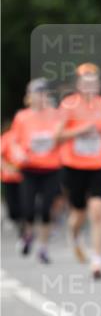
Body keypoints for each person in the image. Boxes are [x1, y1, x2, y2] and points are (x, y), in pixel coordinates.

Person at [55, 63, 101, 279]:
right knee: (78, 212)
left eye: (94, 82)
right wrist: (81, 130)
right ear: (78, 85)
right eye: (85, 82)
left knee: (98, 210)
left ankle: (97, 260)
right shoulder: (68, 105)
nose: (90, 86)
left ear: (99, 85)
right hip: (73, 165)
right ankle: (74, 234)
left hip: (99, 164)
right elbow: (57, 136)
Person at [8, 78, 63, 263]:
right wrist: (18, 153)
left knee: (46, 209)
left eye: (43, 94)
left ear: (47, 96)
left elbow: (62, 137)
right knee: (28, 209)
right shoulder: (22, 117)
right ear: (29, 96)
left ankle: (43, 247)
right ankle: (28, 235)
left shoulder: (56, 115)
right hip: (29, 168)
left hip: (51, 167)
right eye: (36, 94)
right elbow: (14, 141)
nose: (39, 98)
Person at [1, 122, 24, 239]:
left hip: (24, 177)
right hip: (9, 177)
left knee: (23, 203)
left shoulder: (26, 136)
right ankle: (16, 220)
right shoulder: (6, 137)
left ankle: (23, 224)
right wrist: (6, 168)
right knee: (12, 203)